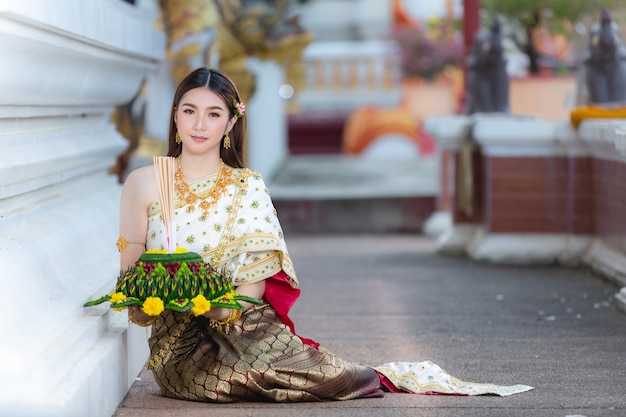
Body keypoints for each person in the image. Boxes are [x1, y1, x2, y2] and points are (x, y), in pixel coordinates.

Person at [117, 67, 532, 402]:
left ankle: (374, 376)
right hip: (179, 345)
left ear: (230, 122)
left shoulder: (247, 187)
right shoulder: (145, 182)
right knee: (219, 383)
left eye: (213, 114)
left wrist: (209, 306)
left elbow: (253, 291)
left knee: (327, 378)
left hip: (241, 325)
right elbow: (130, 286)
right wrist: (148, 304)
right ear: (174, 116)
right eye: (189, 111)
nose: (199, 124)